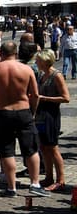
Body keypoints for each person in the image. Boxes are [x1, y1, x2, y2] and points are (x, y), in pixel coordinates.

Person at [0, 41, 50, 199]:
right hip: (23, 111)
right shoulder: (26, 69)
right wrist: (32, 111)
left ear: (1, 54)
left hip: (2, 113)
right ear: (16, 53)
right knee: (31, 149)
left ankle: (11, 188)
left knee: (6, 151)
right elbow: (35, 95)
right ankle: (35, 183)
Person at [34, 49, 68, 191]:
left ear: (46, 61)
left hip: (51, 115)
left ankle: (61, 180)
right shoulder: (42, 75)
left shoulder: (56, 75)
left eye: (38, 60)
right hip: (41, 115)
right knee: (43, 147)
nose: (36, 62)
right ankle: (49, 177)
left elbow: (66, 97)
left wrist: (44, 98)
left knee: (53, 147)